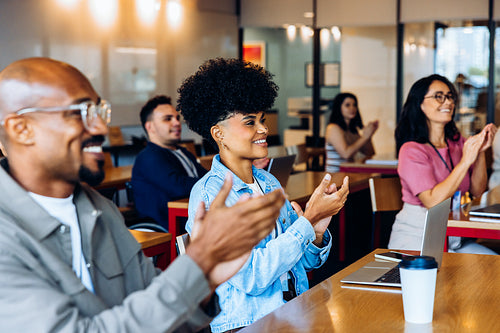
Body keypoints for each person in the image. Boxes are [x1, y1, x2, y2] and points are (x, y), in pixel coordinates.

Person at [0, 57, 287, 332]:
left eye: (100, 112)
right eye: (82, 112)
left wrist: (207, 276)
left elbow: (167, 315)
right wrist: (199, 265)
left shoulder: (100, 209)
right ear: (21, 129)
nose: (101, 127)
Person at [178, 58, 349, 333]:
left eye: (262, 119)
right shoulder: (209, 196)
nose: (264, 129)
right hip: (248, 324)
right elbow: (254, 278)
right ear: (218, 133)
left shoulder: (268, 183)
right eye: (249, 122)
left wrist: (315, 231)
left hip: (291, 311)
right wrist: (306, 223)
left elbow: (303, 264)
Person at [388, 74, 497, 254]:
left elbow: (477, 191)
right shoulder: (411, 150)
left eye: (450, 96)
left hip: (453, 239)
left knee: (493, 270)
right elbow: (432, 202)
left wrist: (480, 153)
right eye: (439, 96)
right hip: (417, 240)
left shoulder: (457, 142)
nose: (447, 102)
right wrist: (465, 160)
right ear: (420, 104)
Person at [132, 95, 207, 230]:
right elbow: (178, 187)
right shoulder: (148, 157)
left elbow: (206, 177)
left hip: (192, 218)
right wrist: (214, 182)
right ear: (150, 127)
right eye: (168, 119)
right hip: (167, 227)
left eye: (177, 118)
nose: (177, 123)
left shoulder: (183, 152)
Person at [324, 92, 378, 172]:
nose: (352, 108)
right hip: (335, 175)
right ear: (339, 107)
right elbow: (345, 154)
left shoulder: (352, 130)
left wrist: (369, 135)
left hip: (348, 174)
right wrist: (364, 137)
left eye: (354, 105)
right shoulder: (333, 128)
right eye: (347, 105)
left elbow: (370, 153)